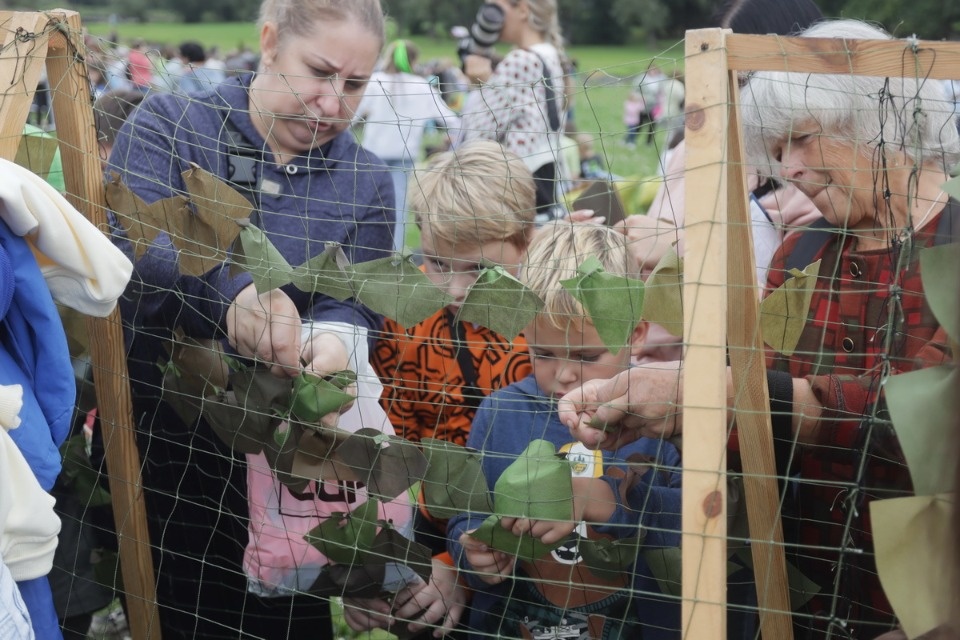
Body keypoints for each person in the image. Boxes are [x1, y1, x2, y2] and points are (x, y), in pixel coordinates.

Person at [559, 18, 960, 639]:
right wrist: (671, 410)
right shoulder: (801, 256)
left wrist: (723, 392)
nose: (790, 169)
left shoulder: (953, 246)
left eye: (801, 139)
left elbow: (923, 416)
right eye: (776, 153)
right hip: (808, 600)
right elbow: (763, 425)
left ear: (877, 120)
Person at [105, 1, 402, 638]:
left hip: (293, 471)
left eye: (353, 85)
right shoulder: (173, 124)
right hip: (168, 452)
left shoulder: (367, 180)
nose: (331, 104)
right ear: (269, 43)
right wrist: (230, 296)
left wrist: (335, 341)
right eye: (318, 72)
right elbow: (135, 250)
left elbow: (356, 299)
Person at [447, 222, 682, 639]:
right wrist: (472, 551)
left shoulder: (662, 419)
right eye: (543, 353)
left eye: (588, 355)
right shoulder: (500, 413)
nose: (565, 373)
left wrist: (608, 502)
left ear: (637, 334)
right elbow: (467, 513)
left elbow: (694, 527)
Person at [341, 140, 536, 637]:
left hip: (536, 534)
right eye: (437, 262)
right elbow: (386, 454)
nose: (452, 288)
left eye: (478, 269)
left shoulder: (548, 324)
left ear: (527, 241)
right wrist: (370, 565)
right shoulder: (404, 319)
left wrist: (465, 569)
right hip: (432, 530)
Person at [624, 0, 826, 364]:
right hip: (651, 364)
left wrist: (685, 247)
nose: (732, 95)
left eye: (745, 80)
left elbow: (792, 309)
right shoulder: (695, 148)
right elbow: (648, 260)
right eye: (724, 78)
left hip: (743, 379)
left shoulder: (818, 174)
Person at [459, 0, 568, 224]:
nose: (488, 18)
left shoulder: (521, 60)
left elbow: (478, 132)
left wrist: (479, 84)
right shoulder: (548, 54)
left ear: (523, 10)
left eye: (496, 9)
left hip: (510, 187)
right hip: (538, 179)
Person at [354, 39, 462, 252]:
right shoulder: (422, 87)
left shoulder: (375, 82)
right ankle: (393, 259)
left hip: (372, 154)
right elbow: (451, 120)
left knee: (364, 207)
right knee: (398, 211)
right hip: (403, 156)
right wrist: (457, 139)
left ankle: (362, 254)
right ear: (413, 60)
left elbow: (351, 116)